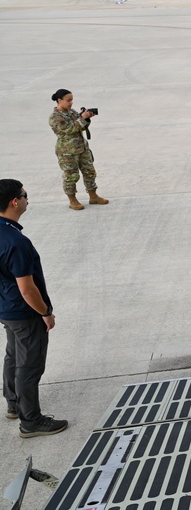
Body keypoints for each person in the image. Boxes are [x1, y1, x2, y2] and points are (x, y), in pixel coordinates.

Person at [0, 179, 68, 438]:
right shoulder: (16, 242)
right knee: (29, 366)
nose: (28, 199)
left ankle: (14, 403)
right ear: (15, 202)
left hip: (6, 308)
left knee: (13, 355)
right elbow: (27, 289)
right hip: (24, 312)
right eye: (25, 195)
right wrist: (45, 313)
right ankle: (31, 421)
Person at [48, 89, 109, 211]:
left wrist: (86, 118)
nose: (71, 103)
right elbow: (69, 129)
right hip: (67, 152)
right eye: (68, 100)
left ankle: (93, 196)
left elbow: (81, 127)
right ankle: (72, 200)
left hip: (82, 148)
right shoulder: (55, 117)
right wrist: (82, 118)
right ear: (59, 100)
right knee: (71, 176)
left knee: (89, 172)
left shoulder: (71, 112)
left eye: (72, 100)